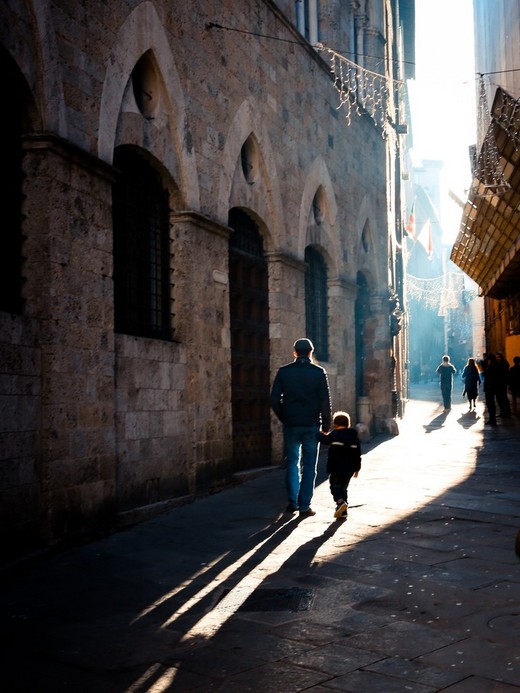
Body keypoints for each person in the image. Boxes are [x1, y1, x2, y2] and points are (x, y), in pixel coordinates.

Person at [270, 338, 332, 518]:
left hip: (291, 424)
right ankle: (305, 506)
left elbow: (274, 399)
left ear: (295, 352)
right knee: (310, 464)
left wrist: (285, 417)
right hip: (312, 424)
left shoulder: (284, 372)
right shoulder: (319, 372)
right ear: (311, 352)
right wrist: (326, 426)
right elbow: (325, 402)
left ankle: (293, 502)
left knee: (291, 462)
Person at [317, 411, 361, 520]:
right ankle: (343, 511)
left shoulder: (335, 434)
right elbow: (358, 453)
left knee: (335, 487)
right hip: (350, 469)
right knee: (343, 488)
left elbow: (324, 440)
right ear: (348, 424)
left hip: (336, 468)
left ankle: (340, 502)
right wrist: (357, 468)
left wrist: (318, 433)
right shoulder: (353, 436)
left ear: (335, 424)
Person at [482, 352, 499, 426]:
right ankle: (492, 419)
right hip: (492, 386)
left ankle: (492, 419)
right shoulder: (495, 365)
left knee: (490, 403)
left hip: (490, 386)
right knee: (491, 403)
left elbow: (487, 375)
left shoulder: (492, 366)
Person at [495, 352, 511, 418]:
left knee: (503, 398)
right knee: (500, 398)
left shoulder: (503, 364)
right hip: (499, 383)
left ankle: (507, 412)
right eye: (496, 357)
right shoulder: (499, 363)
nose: (497, 358)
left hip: (502, 383)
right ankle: (503, 412)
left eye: (498, 357)